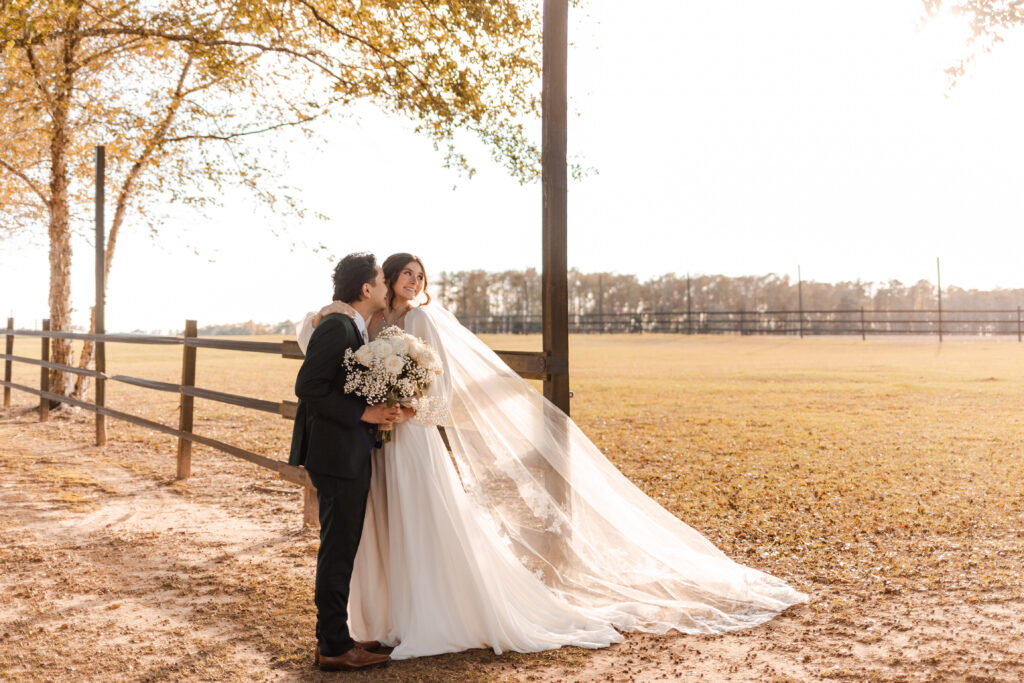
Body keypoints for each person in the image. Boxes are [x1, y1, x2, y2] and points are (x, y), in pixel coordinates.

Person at [297, 253, 807, 660]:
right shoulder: (367, 322)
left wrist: (407, 408)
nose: (404, 282)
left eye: (414, 275)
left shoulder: (423, 321)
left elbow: (436, 381)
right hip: (374, 445)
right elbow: (331, 359)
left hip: (407, 433)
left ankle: (423, 612)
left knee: (421, 519)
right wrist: (362, 387)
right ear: (375, 286)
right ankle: (377, 620)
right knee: (377, 529)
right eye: (396, 275)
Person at [288, 252, 404, 672]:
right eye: (380, 279)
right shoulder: (337, 327)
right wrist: (363, 414)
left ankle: (338, 636)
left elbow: (337, 384)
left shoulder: (347, 325)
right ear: (366, 289)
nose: (386, 286)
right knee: (337, 550)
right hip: (337, 456)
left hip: (344, 452)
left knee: (342, 547)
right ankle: (334, 646)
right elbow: (310, 387)